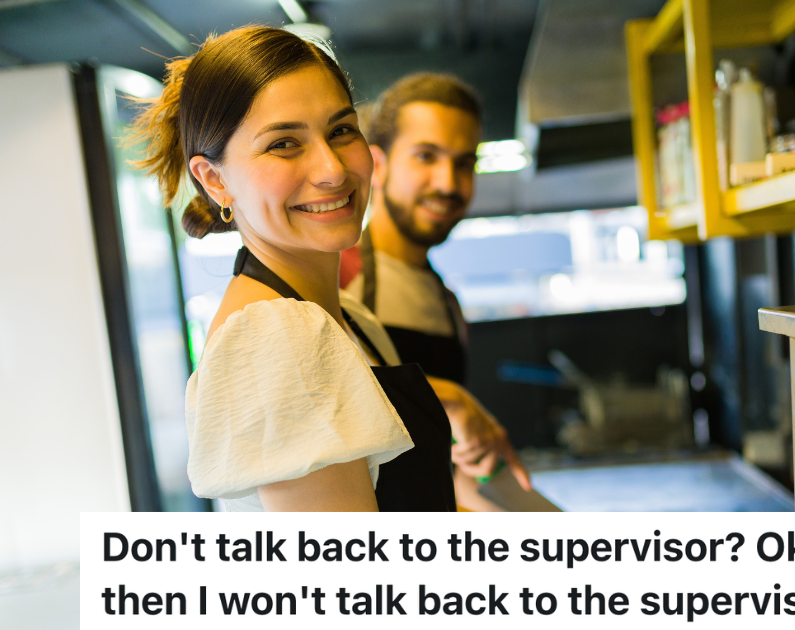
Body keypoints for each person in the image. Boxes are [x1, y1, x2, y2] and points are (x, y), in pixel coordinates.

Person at [129, 26, 455, 512]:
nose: (332, 170)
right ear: (215, 180)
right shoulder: (276, 335)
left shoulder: (344, 319)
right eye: (284, 144)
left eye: (341, 131)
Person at [341, 73, 530, 506]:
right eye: (426, 156)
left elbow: (445, 468)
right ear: (379, 165)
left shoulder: (447, 304)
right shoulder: (335, 281)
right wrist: (447, 395)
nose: (448, 183)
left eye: (464, 163)